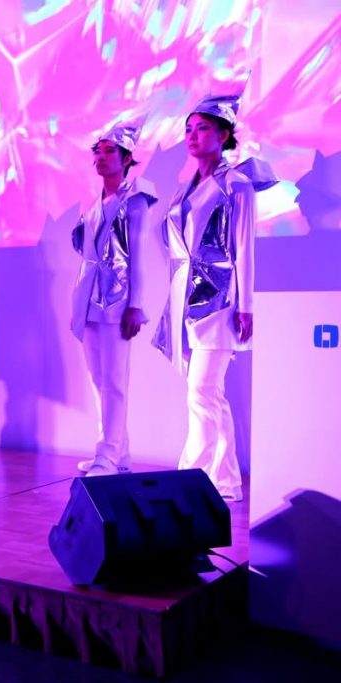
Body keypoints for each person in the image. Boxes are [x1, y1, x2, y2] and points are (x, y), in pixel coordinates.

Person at [152, 93, 278, 502]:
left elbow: (244, 248)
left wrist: (246, 306)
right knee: (210, 395)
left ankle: (190, 477)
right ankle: (225, 482)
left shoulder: (236, 184)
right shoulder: (185, 189)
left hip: (220, 302)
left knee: (202, 391)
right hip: (186, 301)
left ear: (224, 135)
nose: (192, 136)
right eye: (188, 129)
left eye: (202, 128)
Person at [69, 120, 157, 476]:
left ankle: (107, 454)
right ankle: (118, 452)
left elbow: (139, 256)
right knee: (98, 381)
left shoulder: (135, 200)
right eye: (98, 152)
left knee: (115, 382)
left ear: (127, 159)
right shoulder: (94, 206)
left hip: (118, 304)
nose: (101, 158)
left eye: (110, 152)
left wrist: (135, 305)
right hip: (89, 303)